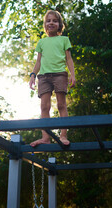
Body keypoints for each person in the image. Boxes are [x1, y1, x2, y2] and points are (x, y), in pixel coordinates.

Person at [29, 10, 76, 147]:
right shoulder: (41, 42)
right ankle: (45, 137)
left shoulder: (64, 40)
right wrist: (32, 75)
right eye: (48, 21)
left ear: (59, 24)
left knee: (61, 104)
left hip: (59, 74)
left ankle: (63, 135)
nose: (51, 23)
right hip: (43, 77)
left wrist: (72, 74)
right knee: (44, 106)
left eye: (54, 21)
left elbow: (69, 59)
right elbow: (38, 62)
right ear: (45, 24)